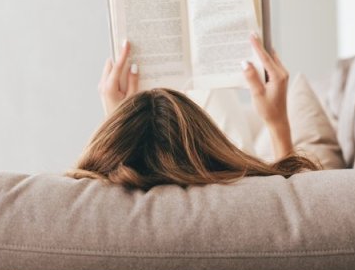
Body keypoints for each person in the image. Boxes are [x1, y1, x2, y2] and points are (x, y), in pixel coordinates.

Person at [66, 34, 319, 190]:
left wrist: (121, 122)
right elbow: (295, 195)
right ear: (208, 140)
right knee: (210, 91)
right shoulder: (247, 191)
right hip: (215, 167)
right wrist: (277, 123)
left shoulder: (88, 203)